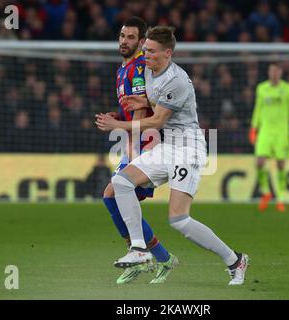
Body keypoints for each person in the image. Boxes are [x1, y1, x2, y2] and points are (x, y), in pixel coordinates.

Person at [96, 26, 249, 285]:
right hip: (167, 146)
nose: (146, 56)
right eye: (145, 51)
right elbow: (155, 106)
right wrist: (138, 105)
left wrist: (118, 127)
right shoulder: (147, 69)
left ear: (168, 53)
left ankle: (235, 260)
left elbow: (156, 122)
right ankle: (139, 250)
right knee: (121, 182)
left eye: (152, 52)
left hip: (188, 148)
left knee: (179, 219)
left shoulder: (177, 80)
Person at [101, 17, 177, 285]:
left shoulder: (137, 69)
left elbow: (142, 113)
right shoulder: (122, 69)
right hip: (134, 143)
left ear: (142, 42)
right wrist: (118, 115)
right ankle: (159, 257)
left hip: (145, 145)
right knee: (113, 198)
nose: (124, 41)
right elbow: (132, 108)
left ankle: (143, 254)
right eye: (122, 35)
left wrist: (134, 152)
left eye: (131, 37)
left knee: (113, 196)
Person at [249, 62, 289, 212]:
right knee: (259, 162)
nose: (274, 73)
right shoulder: (262, 88)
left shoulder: (288, 89)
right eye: (271, 70)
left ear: (280, 72)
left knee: (280, 164)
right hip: (265, 131)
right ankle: (266, 192)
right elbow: (258, 109)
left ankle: (280, 198)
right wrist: (254, 128)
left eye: (276, 70)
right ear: (269, 72)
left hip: (282, 133)